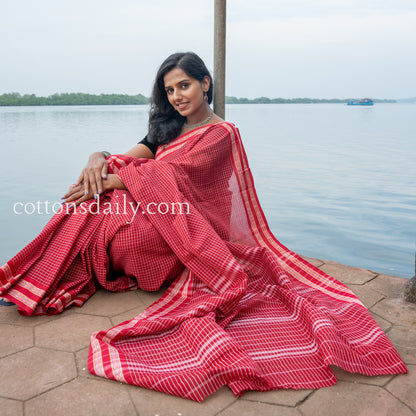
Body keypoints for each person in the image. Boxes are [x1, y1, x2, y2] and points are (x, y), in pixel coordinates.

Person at [0, 52, 407, 401]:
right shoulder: (166, 128)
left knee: (102, 205)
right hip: (160, 215)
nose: (177, 97)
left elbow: (173, 177)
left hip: (190, 232)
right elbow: (126, 162)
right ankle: (40, 280)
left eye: (184, 86)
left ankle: (37, 277)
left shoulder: (222, 133)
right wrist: (96, 157)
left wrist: (108, 179)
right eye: (170, 91)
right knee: (92, 200)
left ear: (205, 83)